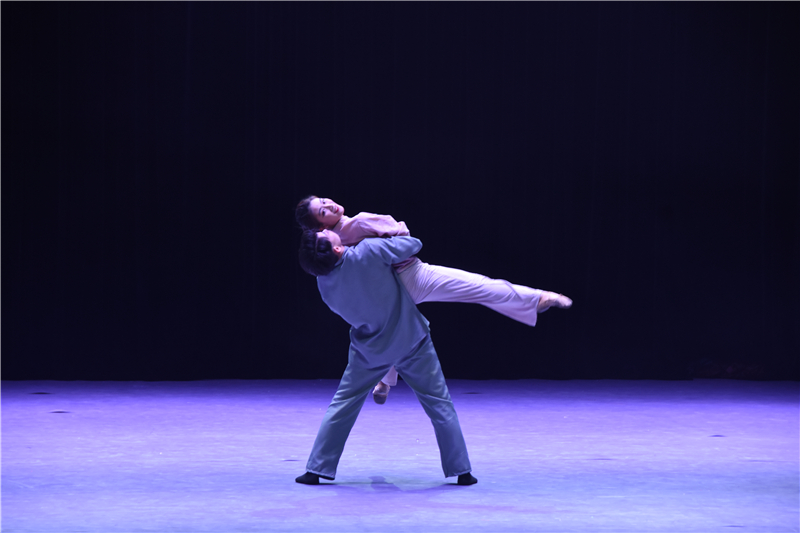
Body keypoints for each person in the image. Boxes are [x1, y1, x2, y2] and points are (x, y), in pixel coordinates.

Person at [295, 196, 572, 403]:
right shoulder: (357, 223)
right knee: (476, 286)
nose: (329, 205)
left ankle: (384, 382)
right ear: (320, 225)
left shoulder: (330, 245)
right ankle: (537, 298)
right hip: (411, 277)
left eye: (324, 201)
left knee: (387, 330)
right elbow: (403, 235)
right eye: (323, 211)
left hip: (383, 292)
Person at [295, 228, 477, 486]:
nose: (327, 228)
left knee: (343, 404)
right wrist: (380, 232)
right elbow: (414, 244)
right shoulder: (369, 251)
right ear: (336, 248)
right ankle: (462, 471)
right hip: (411, 340)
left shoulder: (324, 285)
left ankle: (316, 469)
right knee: (438, 403)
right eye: (325, 233)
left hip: (371, 351)